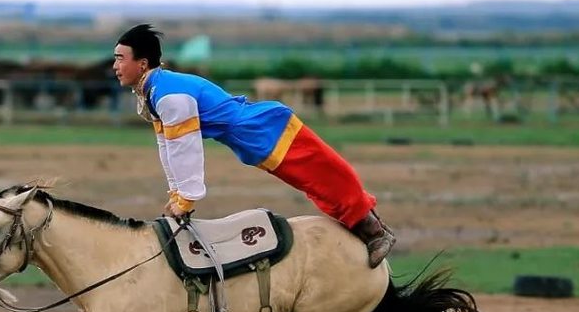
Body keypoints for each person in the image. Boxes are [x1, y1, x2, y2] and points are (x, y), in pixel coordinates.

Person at [112, 24, 395, 268]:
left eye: (120, 59)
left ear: (143, 63)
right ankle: (367, 229)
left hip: (261, 130)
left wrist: (185, 200)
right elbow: (168, 146)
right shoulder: (155, 91)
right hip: (251, 136)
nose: (114, 66)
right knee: (315, 182)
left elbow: (185, 149)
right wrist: (176, 195)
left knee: (322, 174)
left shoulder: (168, 96)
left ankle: (375, 233)